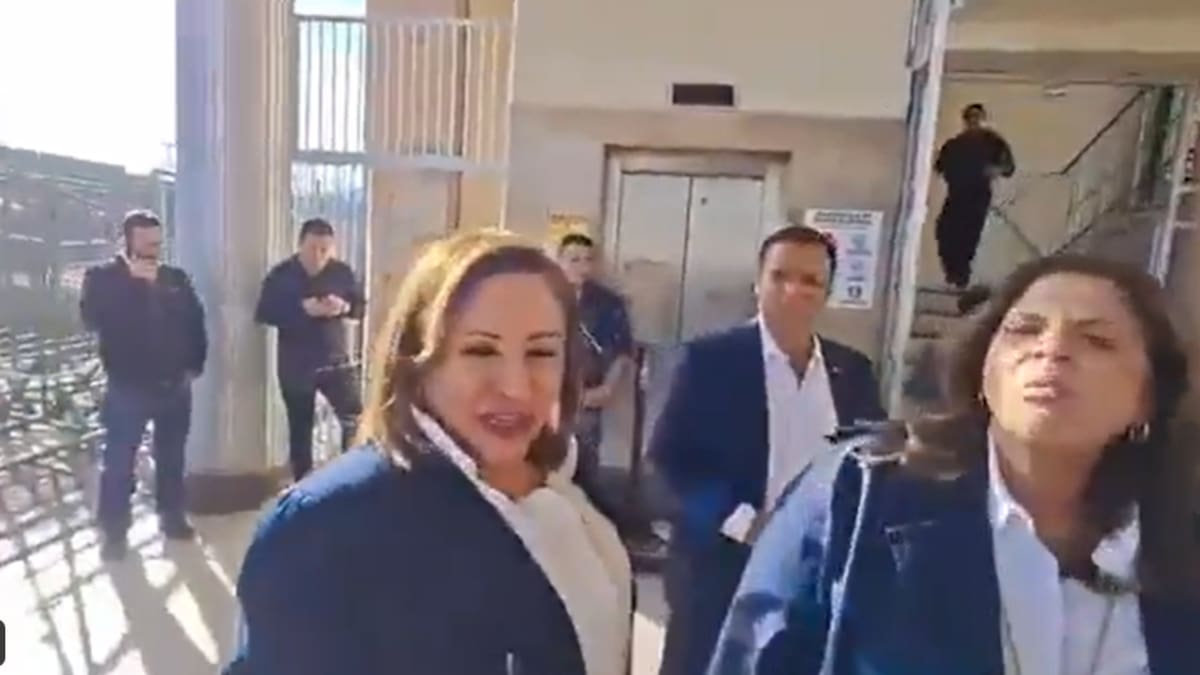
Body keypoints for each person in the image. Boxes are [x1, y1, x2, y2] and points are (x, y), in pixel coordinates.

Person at [711, 255, 1200, 674]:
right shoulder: (861, 493)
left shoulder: (1177, 536)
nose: (1051, 350)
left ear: (1150, 396)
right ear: (982, 369)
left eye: (1097, 340)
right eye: (1024, 329)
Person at [226, 230, 632, 675]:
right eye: (480, 350)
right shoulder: (324, 529)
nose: (516, 387)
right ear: (417, 361)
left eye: (541, 352)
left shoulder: (578, 489)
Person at [651, 224, 886, 675]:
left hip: (816, 574)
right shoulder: (710, 361)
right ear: (757, 283)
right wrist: (743, 523)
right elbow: (669, 462)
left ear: (826, 293)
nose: (794, 291)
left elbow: (869, 458)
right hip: (724, 565)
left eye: (811, 280)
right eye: (781, 276)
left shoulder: (851, 371)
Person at [80, 210, 207, 561]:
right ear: (128, 241)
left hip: (174, 383)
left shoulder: (174, 278)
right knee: (120, 460)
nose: (154, 249)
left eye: (157, 242)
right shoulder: (103, 278)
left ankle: (172, 516)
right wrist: (132, 285)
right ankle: (115, 531)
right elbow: (92, 318)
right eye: (146, 243)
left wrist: (194, 364)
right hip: (128, 385)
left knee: (172, 455)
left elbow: (195, 321)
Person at [255, 218, 365, 480]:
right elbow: (264, 313)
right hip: (296, 365)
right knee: (301, 430)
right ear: (300, 245)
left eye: (324, 250)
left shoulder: (341, 272)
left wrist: (344, 307)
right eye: (312, 249)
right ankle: (303, 485)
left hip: (336, 361)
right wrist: (302, 309)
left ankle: (352, 478)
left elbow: (360, 307)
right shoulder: (281, 275)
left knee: (355, 419)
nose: (318, 256)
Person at [556, 233, 634, 484]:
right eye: (574, 260)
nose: (582, 267)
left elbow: (622, 349)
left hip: (589, 394)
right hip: (549, 395)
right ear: (559, 262)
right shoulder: (543, 297)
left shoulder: (608, 303)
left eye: (587, 260)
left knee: (585, 465)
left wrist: (607, 388)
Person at [934, 103, 1016, 289]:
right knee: (944, 231)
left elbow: (1008, 167)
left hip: (978, 194)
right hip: (956, 193)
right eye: (970, 117)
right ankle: (953, 273)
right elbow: (939, 167)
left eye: (977, 117)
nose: (974, 121)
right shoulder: (954, 144)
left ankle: (961, 275)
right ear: (965, 120)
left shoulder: (993, 141)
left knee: (968, 234)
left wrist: (994, 170)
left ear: (983, 119)